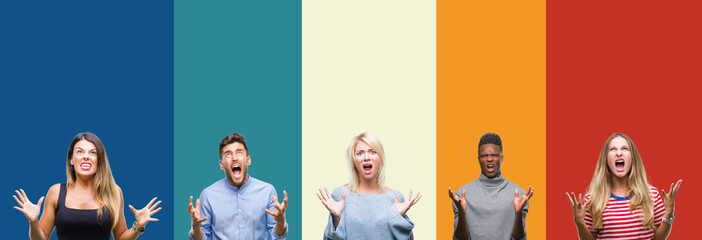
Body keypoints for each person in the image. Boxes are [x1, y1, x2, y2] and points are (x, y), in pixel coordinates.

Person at [12, 132, 162, 240]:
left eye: (92, 153)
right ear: (72, 159)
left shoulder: (114, 192)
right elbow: (41, 238)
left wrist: (138, 226)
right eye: (80, 152)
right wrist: (33, 222)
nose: (86, 156)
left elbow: (121, 238)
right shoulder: (56, 191)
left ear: (99, 160)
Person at [566, 133, 681, 240]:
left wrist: (668, 213)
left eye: (625, 149)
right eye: (613, 149)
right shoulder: (593, 198)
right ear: (605, 159)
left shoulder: (652, 194)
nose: (619, 153)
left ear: (633, 158)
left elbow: (658, 238)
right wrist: (580, 223)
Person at [317, 132, 421, 240]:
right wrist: (336, 219)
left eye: (372, 152)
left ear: (380, 158)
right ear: (354, 161)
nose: (366, 157)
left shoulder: (395, 197)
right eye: (360, 153)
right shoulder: (340, 195)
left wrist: (398, 219)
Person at [187, 133, 288, 240]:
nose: (234, 158)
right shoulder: (208, 195)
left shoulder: (267, 191)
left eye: (239, 152)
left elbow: (277, 237)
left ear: (248, 160)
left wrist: (281, 222)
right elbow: (202, 237)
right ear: (221, 164)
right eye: (228, 154)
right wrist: (196, 227)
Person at [448, 132, 534, 240]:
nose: (489, 159)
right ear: (479, 159)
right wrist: (461, 212)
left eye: (494, 155)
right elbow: (460, 239)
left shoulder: (519, 195)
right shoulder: (461, 195)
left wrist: (518, 214)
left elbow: (520, 239)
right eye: (484, 156)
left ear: (501, 158)